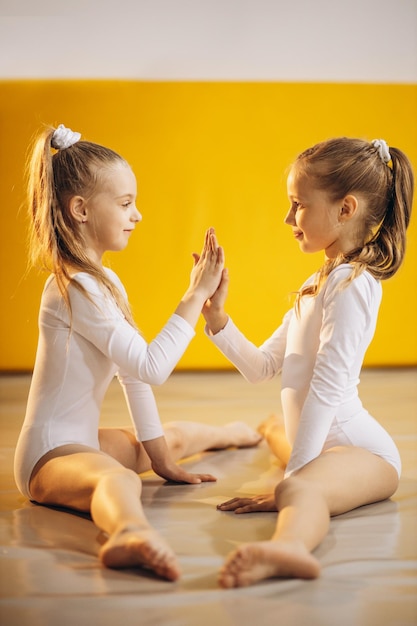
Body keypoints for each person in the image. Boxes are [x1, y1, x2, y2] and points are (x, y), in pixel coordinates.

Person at [14, 123, 261, 582]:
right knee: (118, 478)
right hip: (49, 455)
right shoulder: (73, 287)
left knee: (173, 439)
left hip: (82, 438)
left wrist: (163, 460)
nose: (138, 215)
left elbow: (134, 375)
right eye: (126, 204)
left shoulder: (105, 282)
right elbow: (154, 365)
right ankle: (130, 533)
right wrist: (194, 297)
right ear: (81, 209)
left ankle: (236, 432)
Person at [202, 136, 414, 588]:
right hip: (322, 443)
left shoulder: (354, 285)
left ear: (345, 208)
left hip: (363, 453)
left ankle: (289, 548)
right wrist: (217, 318)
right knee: (281, 436)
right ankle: (276, 438)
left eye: (297, 204)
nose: (287, 218)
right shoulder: (318, 282)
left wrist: (293, 480)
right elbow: (262, 367)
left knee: (298, 487)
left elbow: (328, 386)